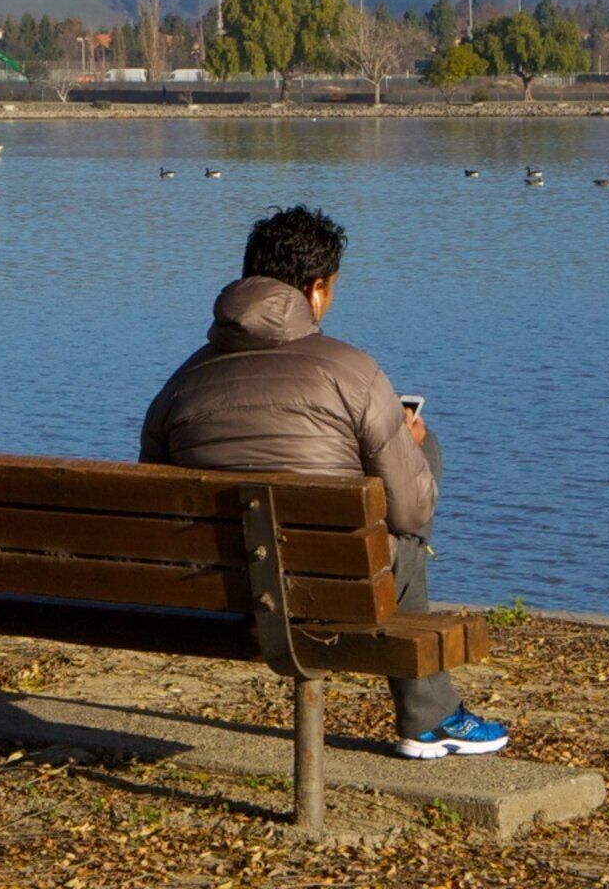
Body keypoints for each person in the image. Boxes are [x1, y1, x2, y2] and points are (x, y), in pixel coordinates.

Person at [138, 205, 510, 759]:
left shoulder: (182, 380)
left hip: (213, 592)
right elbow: (412, 514)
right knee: (404, 525)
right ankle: (428, 719)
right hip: (327, 590)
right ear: (314, 292)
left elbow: (152, 492)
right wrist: (412, 445)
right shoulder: (353, 373)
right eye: (331, 289)